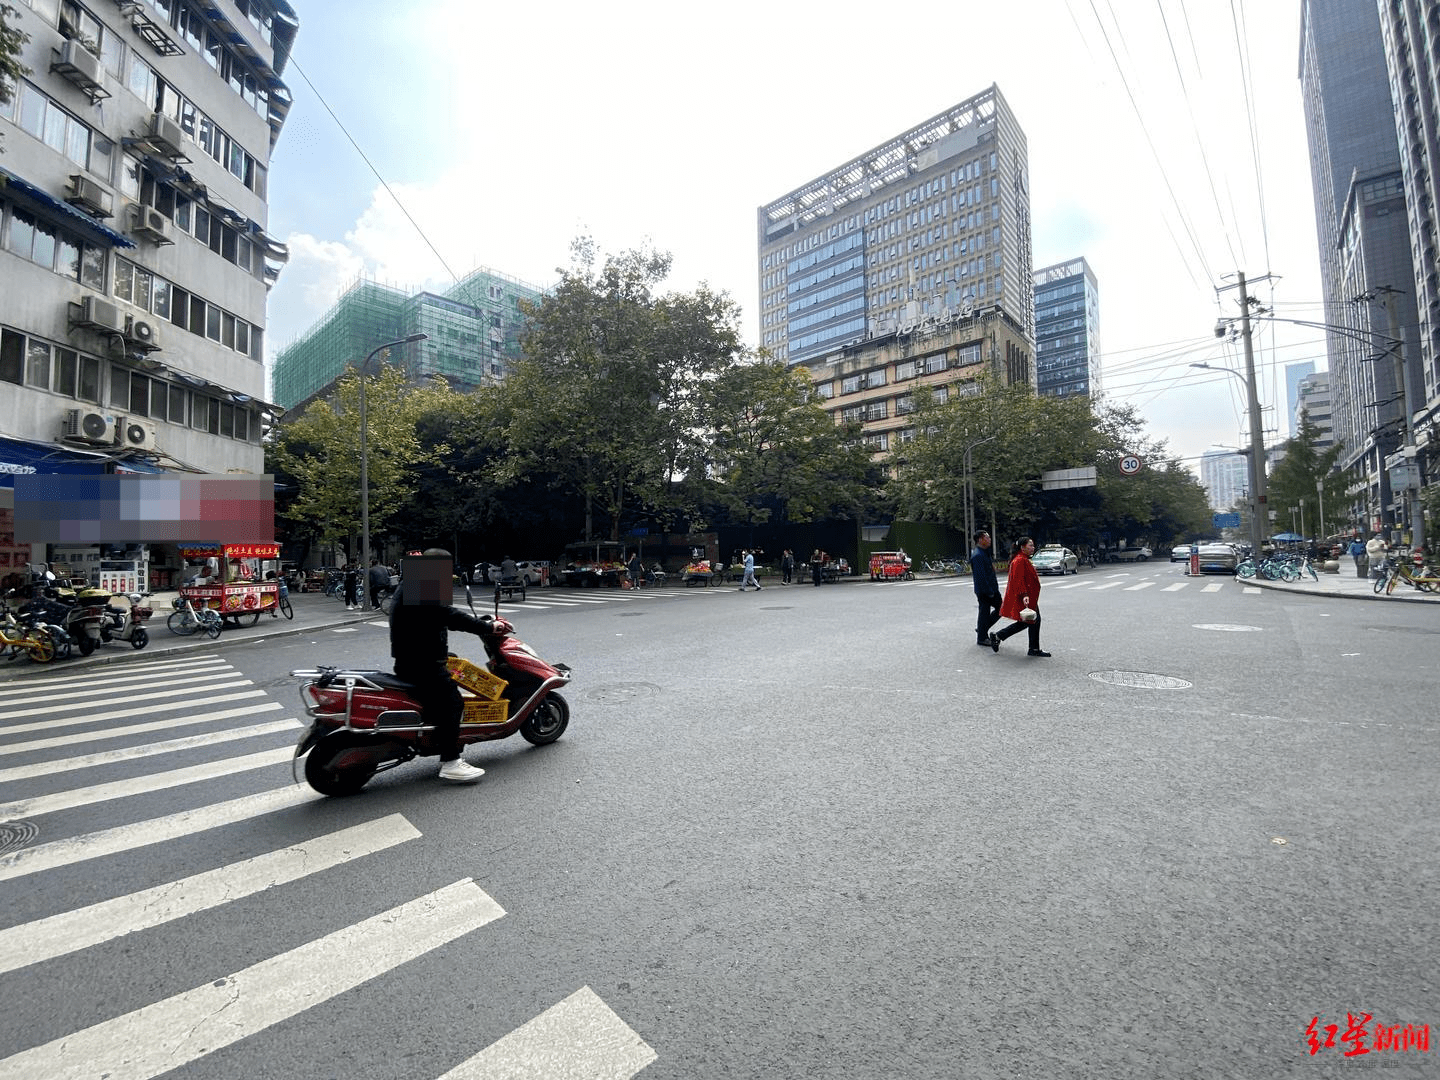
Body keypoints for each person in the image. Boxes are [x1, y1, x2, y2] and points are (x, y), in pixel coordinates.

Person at [389, 549, 488, 783]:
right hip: (420, 664)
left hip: (412, 658)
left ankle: (436, 739)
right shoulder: (422, 583)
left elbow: (430, 620)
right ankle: (451, 761)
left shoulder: (412, 582)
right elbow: (446, 615)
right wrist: (484, 627)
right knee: (453, 702)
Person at [989, 536, 1049, 657]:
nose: (1033, 548)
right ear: (1022, 547)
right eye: (1030, 545)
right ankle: (1000, 636)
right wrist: (1024, 595)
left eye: (1033, 545)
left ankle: (1033, 648)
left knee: (1031, 621)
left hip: (1028, 596)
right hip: (1025, 597)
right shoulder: (1020, 560)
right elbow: (1018, 580)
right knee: (1030, 621)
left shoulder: (1023, 559)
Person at [970, 529, 1002, 647]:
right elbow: (981, 577)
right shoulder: (978, 555)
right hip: (985, 591)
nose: (989, 540)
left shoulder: (984, 552)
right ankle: (982, 637)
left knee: (1000, 608)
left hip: (991, 588)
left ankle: (982, 629)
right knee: (985, 612)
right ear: (980, 540)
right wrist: (989, 592)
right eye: (987, 538)